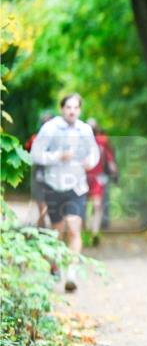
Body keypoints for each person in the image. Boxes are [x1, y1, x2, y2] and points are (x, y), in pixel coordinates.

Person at [30, 93, 100, 292]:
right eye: (68, 107)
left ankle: (71, 273)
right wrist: (58, 156)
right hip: (54, 185)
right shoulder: (50, 128)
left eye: (76, 108)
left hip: (76, 186)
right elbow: (35, 154)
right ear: (62, 109)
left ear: (80, 110)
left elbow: (94, 153)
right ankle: (54, 265)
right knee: (57, 231)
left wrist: (90, 162)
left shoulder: (85, 130)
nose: (72, 111)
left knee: (74, 228)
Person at [85, 118, 118, 245]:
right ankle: (87, 230)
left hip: (97, 177)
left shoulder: (101, 141)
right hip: (83, 178)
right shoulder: (81, 142)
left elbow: (109, 157)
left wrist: (114, 171)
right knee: (83, 206)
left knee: (96, 206)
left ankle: (94, 232)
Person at [24, 113, 54, 228]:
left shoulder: (57, 140)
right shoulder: (35, 138)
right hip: (39, 173)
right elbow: (27, 152)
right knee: (41, 203)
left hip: (54, 175)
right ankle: (42, 229)